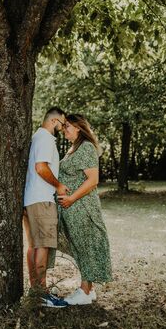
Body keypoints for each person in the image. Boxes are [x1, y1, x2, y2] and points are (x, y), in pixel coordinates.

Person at [57, 114, 112, 305]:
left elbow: (93, 180)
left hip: (83, 207)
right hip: (72, 209)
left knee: (86, 247)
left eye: (68, 126)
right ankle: (89, 291)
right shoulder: (73, 149)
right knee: (80, 248)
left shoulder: (86, 147)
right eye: (64, 127)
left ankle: (85, 291)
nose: (64, 130)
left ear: (79, 127)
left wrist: (71, 198)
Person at [23, 107, 69, 308]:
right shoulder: (45, 139)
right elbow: (41, 167)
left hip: (32, 199)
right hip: (42, 200)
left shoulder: (36, 137)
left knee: (34, 245)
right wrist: (59, 185)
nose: (63, 127)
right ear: (54, 121)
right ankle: (42, 294)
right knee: (43, 246)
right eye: (62, 123)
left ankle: (36, 291)